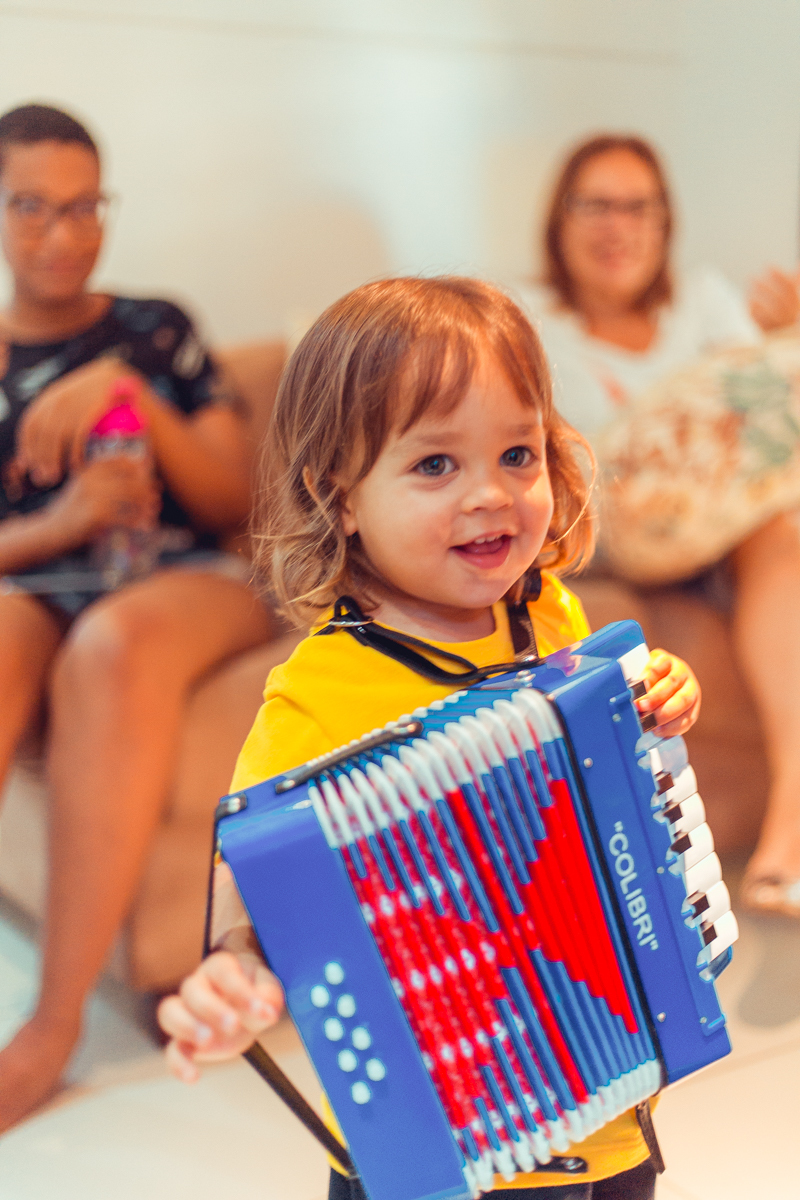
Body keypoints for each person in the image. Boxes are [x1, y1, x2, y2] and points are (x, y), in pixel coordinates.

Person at [158, 276, 701, 1199]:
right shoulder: (319, 695)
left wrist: (657, 706)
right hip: (431, 1153)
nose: (491, 495)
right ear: (339, 495)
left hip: (608, 1113)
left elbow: (613, 785)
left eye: (519, 453)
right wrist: (234, 974)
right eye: (435, 465)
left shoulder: (553, 614)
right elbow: (251, 888)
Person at [0, 103, 276, 1130]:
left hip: (181, 581)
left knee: (112, 649)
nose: (64, 235)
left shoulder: (155, 330)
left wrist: (131, 394)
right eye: (33, 208)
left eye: (85, 208)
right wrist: (62, 520)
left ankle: (50, 1031)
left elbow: (237, 504)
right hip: (33, 586)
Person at [518, 134, 800, 918]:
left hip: (728, 529)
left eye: (638, 206)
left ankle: (790, 825)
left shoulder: (703, 305)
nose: (619, 225)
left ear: (664, 221)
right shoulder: (527, 324)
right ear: (560, 220)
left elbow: (761, 420)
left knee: (781, 527)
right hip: (614, 531)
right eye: (596, 205)